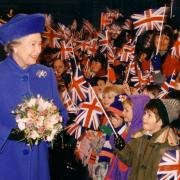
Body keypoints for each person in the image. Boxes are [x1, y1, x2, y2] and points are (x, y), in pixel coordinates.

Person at [0, 13, 67, 180]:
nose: (39, 49)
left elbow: (62, 114)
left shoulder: (46, 74)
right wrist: (9, 133)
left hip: (38, 166)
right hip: (6, 162)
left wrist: (51, 124)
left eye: (40, 43)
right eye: (33, 44)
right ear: (14, 46)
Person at [114, 98, 180, 180]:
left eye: (149, 115)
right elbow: (131, 160)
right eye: (144, 113)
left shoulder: (170, 147)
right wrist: (122, 148)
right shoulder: (141, 136)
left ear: (161, 121)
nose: (144, 117)